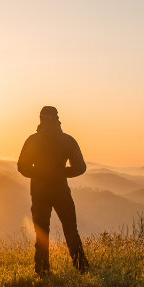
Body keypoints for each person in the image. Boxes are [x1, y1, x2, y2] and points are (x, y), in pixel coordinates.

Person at [17, 106, 89, 275]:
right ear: (57, 119)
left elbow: (22, 167)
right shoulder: (67, 140)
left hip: (40, 192)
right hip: (61, 191)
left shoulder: (33, 140)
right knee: (71, 229)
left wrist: (40, 173)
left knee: (42, 232)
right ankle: (82, 268)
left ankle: (42, 270)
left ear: (41, 119)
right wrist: (61, 172)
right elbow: (80, 167)